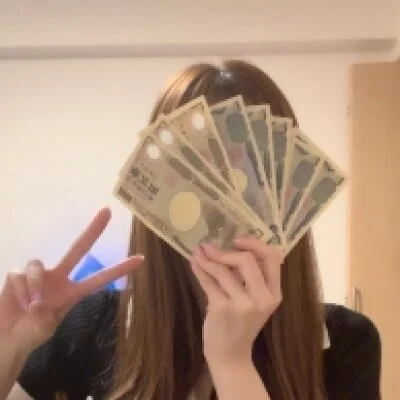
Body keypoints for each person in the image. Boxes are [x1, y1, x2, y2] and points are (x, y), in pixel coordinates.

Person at [2, 60, 381, 400]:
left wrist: (233, 365)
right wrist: (9, 348)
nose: (226, 205)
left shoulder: (347, 341)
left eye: (248, 178)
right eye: (200, 174)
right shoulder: (92, 324)